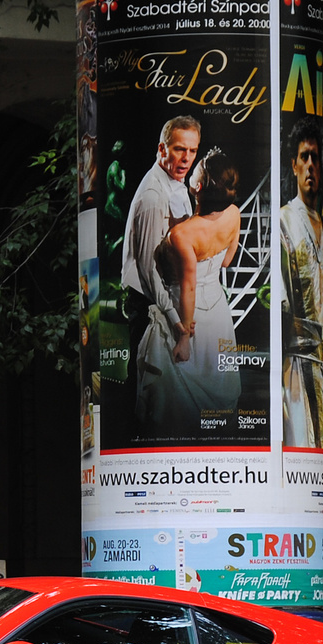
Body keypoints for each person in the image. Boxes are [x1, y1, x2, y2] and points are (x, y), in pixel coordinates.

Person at [135, 153, 243, 437]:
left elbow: (189, 286)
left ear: (199, 186)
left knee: (179, 390)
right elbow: (227, 260)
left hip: (190, 314)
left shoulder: (183, 234)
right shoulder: (234, 213)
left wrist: (183, 336)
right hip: (218, 311)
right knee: (215, 382)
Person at [122, 116, 201, 439]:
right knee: (151, 394)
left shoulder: (176, 181)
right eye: (179, 149)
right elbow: (147, 268)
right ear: (161, 149)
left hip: (166, 298)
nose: (186, 158)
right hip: (147, 303)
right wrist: (175, 319)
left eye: (192, 151)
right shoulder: (153, 196)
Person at [279, 117, 323, 448]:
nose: (310, 165)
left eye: (315, 158)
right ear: (294, 165)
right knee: (301, 443)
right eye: (304, 157)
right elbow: (281, 301)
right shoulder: (285, 219)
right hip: (297, 364)